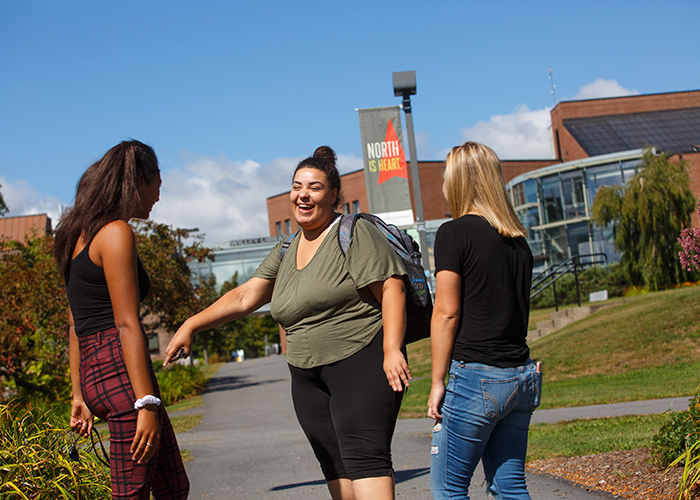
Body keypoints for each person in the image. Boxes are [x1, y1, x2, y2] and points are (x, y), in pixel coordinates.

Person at [164, 146, 410, 500]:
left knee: (365, 461)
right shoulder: (286, 248)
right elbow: (246, 296)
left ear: (334, 195)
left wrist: (391, 349)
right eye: (297, 187)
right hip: (306, 375)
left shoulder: (353, 233)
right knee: (335, 467)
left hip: (360, 360)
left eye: (314, 187)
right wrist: (191, 324)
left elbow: (391, 286)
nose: (303, 195)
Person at [54, 140, 190, 500]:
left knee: (173, 488)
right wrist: (145, 402)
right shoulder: (115, 233)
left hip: (96, 371)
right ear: (139, 181)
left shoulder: (75, 234)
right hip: (121, 375)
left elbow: (74, 324)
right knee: (130, 494)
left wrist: (79, 393)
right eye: (157, 185)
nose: (158, 197)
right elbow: (127, 324)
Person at [427, 141, 541, 500]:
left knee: (448, 489)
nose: (443, 186)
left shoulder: (453, 233)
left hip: (477, 377)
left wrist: (436, 381)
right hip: (520, 377)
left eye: (447, 178)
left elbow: (446, 312)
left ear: (461, 181)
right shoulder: (519, 242)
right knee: (510, 487)